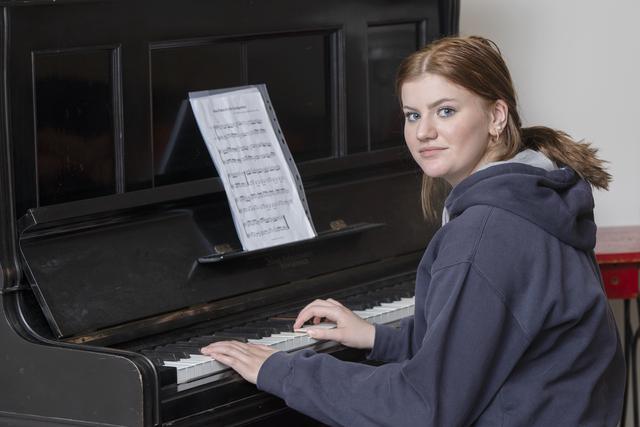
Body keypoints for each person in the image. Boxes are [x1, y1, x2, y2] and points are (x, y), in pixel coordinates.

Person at [201, 35, 625, 426]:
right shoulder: (533, 196)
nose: (423, 132)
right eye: (411, 115)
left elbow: (422, 408)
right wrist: (379, 338)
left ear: (496, 116)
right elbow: (479, 346)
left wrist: (281, 370)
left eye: (446, 111)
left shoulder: (487, 233)